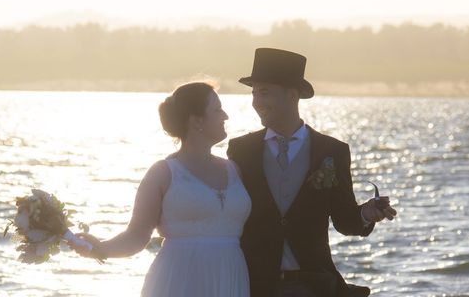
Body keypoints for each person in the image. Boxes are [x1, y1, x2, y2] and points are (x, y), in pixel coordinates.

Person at [227, 48, 397, 297]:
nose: (256, 102)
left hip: (313, 285)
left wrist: (366, 213)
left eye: (264, 92)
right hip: (254, 283)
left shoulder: (332, 151)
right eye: (254, 93)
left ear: (292, 95)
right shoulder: (241, 149)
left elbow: (344, 220)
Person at [72, 82, 252, 297]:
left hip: (230, 276)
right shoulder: (164, 173)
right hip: (179, 279)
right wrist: (101, 248)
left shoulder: (234, 169)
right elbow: (137, 235)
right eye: (217, 109)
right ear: (197, 121)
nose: (225, 116)